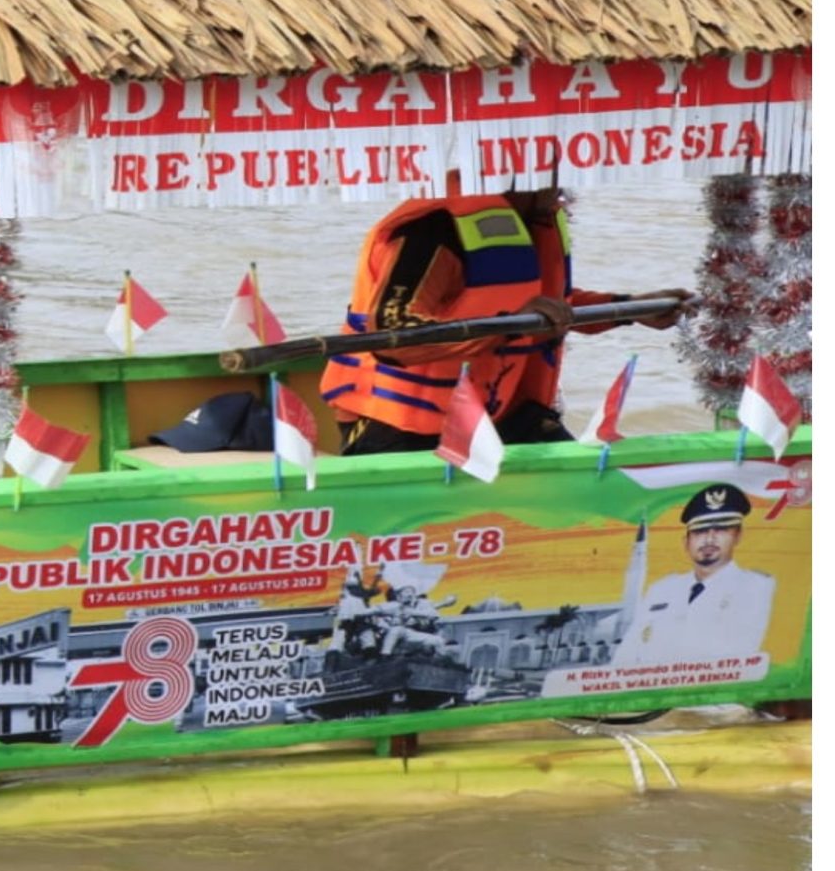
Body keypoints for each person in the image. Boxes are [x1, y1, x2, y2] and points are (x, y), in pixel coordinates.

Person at [323, 186, 690, 456]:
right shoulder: (432, 231)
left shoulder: (529, 221)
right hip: (401, 422)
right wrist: (510, 325)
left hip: (504, 411)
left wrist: (629, 308)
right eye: (554, 175)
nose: (564, 190)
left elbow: (550, 304)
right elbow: (393, 335)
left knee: (582, 491)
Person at [613, 487, 776, 667]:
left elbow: (744, 651)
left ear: (737, 536)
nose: (709, 539)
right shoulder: (661, 590)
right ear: (686, 542)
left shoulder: (757, 587)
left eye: (721, 530)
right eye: (700, 532)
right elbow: (627, 653)